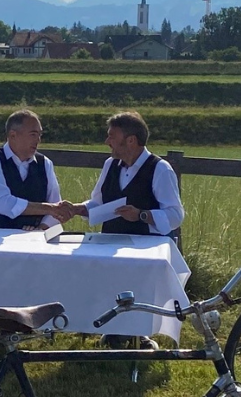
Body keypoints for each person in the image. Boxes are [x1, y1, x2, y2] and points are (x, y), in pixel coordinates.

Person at [74, 111, 184, 350]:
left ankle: (139, 335)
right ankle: (114, 331)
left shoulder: (160, 169)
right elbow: (98, 203)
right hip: (111, 241)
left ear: (131, 140)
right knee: (108, 284)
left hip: (145, 248)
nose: (107, 142)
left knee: (138, 291)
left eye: (112, 136)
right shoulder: (110, 164)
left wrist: (142, 215)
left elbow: (175, 216)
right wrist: (76, 209)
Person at [0, 109, 74, 230]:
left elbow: (55, 204)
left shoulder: (45, 163)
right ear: (12, 135)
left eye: (40, 135)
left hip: (36, 242)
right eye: (33, 134)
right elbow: (2, 203)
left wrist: (39, 231)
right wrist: (50, 209)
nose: (38, 140)